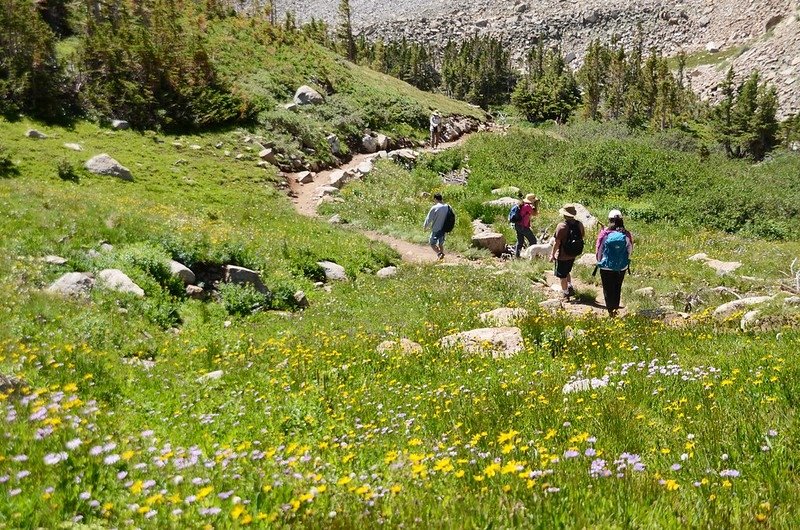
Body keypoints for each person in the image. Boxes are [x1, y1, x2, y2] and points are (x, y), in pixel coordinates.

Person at [595, 209, 634, 317]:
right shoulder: (626, 234)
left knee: (608, 288)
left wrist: (599, 261)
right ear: (621, 220)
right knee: (617, 287)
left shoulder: (605, 233)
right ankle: (615, 309)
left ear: (609, 220)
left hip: (606, 266)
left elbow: (599, 249)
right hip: (621, 266)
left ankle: (610, 311)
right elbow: (630, 250)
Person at [550, 204, 584, 299]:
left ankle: (565, 293)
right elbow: (582, 236)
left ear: (564, 215)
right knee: (567, 271)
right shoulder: (579, 224)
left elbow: (557, 242)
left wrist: (552, 255)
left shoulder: (561, 226)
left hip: (563, 254)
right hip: (573, 253)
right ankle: (569, 286)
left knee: (562, 275)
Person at [423, 192, 450, 259]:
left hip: (436, 228)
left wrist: (425, 226)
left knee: (432, 243)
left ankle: (439, 253)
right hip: (444, 228)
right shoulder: (447, 207)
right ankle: (441, 256)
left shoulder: (434, 207)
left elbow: (428, 219)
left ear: (435, 199)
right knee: (441, 243)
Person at [513, 193, 539, 258]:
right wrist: (536, 205)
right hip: (523, 227)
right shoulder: (528, 206)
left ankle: (517, 256)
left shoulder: (522, 205)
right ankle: (532, 255)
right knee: (533, 240)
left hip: (517, 225)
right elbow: (535, 213)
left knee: (520, 241)